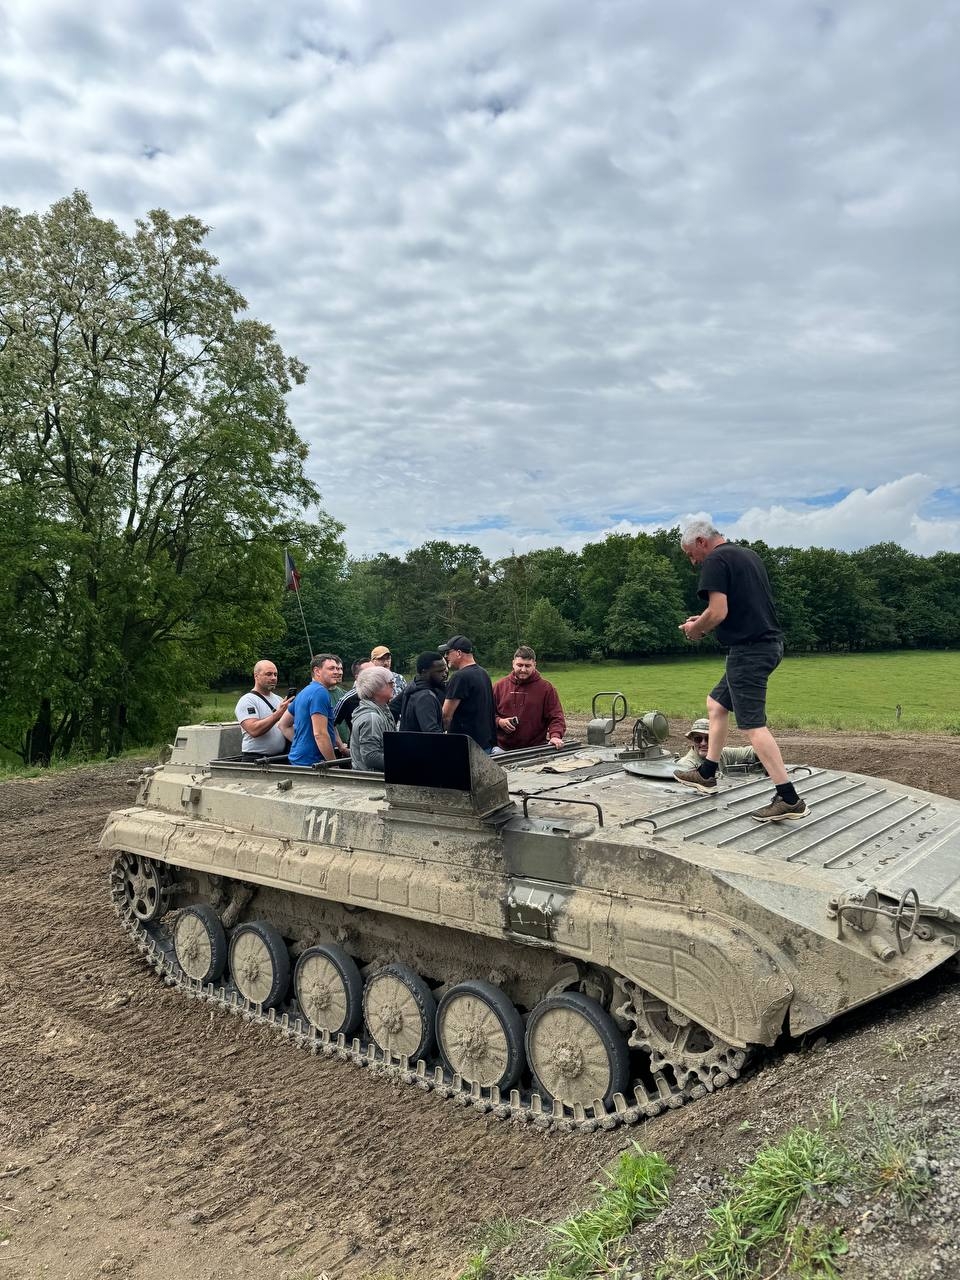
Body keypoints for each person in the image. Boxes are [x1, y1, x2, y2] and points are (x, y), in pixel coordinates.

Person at [674, 518, 807, 822]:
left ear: (701, 542)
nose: (693, 562)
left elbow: (718, 612)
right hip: (767, 645)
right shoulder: (747, 555)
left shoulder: (715, 560)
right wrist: (702, 619)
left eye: (691, 554)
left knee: (752, 726)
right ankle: (707, 772)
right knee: (716, 704)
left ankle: (789, 799)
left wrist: (696, 629)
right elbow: (739, 607)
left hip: (749, 651)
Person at [492, 646, 566, 750]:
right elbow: (487, 714)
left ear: (534, 665)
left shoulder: (546, 688)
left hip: (535, 750)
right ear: (513, 663)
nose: (523, 669)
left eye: (527, 666)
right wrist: (499, 721)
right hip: (502, 749)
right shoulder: (499, 686)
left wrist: (555, 736)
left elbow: (556, 716)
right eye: (519, 665)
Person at [281, 654, 348, 766]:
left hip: (298, 759)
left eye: (337, 668)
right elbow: (320, 734)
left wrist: (302, 744)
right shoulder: (319, 692)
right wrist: (333, 763)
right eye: (331, 668)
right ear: (317, 671)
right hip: (313, 763)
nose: (337, 672)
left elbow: (283, 724)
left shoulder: (304, 692)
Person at [439, 635, 496, 752]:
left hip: (465, 747)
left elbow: (446, 716)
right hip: (484, 744)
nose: (445, 656)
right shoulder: (484, 673)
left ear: (459, 653)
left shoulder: (460, 677)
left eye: (448, 652)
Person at [234, 661, 294, 760]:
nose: (273, 678)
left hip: (280, 757)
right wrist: (279, 714)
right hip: (256, 759)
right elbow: (254, 730)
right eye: (268, 674)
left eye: (275, 674)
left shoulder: (279, 699)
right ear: (256, 676)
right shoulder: (247, 700)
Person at [675, 717, 762, 775]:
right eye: (698, 739)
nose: (703, 743)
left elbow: (750, 751)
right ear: (692, 740)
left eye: (708, 738)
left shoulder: (722, 754)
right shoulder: (686, 766)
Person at [349, 666, 397, 771]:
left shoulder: (382, 710)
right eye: (390, 683)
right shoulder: (371, 718)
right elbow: (371, 757)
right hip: (371, 778)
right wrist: (404, 763)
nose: (394, 685)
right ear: (375, 688)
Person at [398, 651, 447, 733]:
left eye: (444, 670)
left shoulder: (413, 686)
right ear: (424, 672)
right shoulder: (425, 696)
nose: (444, 674)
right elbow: (432, 732)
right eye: (439, 671)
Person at [333, 660, 368, 742]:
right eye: (370, 672)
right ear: (357, 677)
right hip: (357, 747)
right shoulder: (348, 698)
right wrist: (340, 745)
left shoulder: (384, 694)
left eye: (341, 669)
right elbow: (330, 724)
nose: (339, 672)